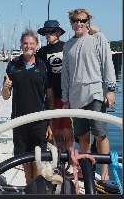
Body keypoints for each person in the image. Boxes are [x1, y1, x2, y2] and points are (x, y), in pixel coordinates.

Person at [61, 8, 116, 182]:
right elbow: (66, 74)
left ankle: (105, 172)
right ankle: (85, 169)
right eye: (75, 20)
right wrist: (65, 98)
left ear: (88, 22)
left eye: (82, 21)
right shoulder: (67, 45)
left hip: (96, 94)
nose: (79, 24)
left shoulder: (98, 38)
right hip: (76, 97)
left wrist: (111, 89)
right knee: (83, 136)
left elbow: (108, 63)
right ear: (71, 23)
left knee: (100, 134)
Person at [37, 20, 101, 152]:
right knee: (57, 130)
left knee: (68, 129)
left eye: (52, 31)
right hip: (51, 97)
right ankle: (62, 160)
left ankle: (72, 160)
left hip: (67, 96)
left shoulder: (68, 46)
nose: (49, 34)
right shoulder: (41, 52)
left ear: (59, 32)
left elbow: (85, 45)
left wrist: (95, 32)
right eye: (46, 32)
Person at [1, 28, 55, 184]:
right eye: (25, 43)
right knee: (25, 159)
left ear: (37, 45)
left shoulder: (44, 66)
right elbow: (6, 96)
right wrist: (5, 87)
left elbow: (50, 97)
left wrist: (50, 123)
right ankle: (29, 188)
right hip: (20, 121)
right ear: (21, 44)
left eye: (31, 43)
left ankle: (35, 190)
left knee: (38, 160)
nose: (28, 46)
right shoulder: (12, 66)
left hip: (39, 122)